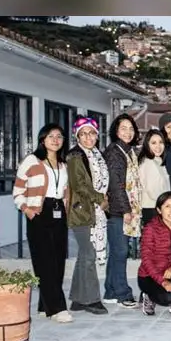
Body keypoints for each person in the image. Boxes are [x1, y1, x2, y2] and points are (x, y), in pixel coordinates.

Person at [13, 124, 73, 322]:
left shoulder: (63, 164)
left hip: (58, 212)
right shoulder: (32, 161)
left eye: (59, 136)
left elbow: (65, 191)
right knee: (45, 262)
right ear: (42, 139)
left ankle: (44, 305)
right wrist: (27, 210)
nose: (56, 140)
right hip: (39, 212)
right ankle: (57, 308)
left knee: (57, 262)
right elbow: (18, 191)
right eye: (51, 136)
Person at [65, 117, 110, 315]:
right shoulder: (75, 156)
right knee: (89, 254)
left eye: (92, 133)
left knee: (84, 255)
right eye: (83, 133)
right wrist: (99, 198)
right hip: (82, 211)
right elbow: (79, 184)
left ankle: (77, 299)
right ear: (77, 136)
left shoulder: (95, 155)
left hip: (93, 211)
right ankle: (92, 300)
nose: (88, 137)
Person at [102, 113, 141, 309]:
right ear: (116, 131)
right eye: (123, 128)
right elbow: (116, 184)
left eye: (130, 128)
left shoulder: (128, 151)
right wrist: (126, 209)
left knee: (117, 252)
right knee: (120, 251)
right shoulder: (114, 152)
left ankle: (110, 290)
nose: (127, 132)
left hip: (124, 208)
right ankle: (122, 293)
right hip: (118, 210)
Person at [138, 128, 171, 227]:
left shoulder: (157, 161)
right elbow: (153, 192)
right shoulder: (149, 163)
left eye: (161, 142)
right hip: (153, 209)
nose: (158, 146)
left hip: (158, 208)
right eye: (153, 143)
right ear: (147, 145)